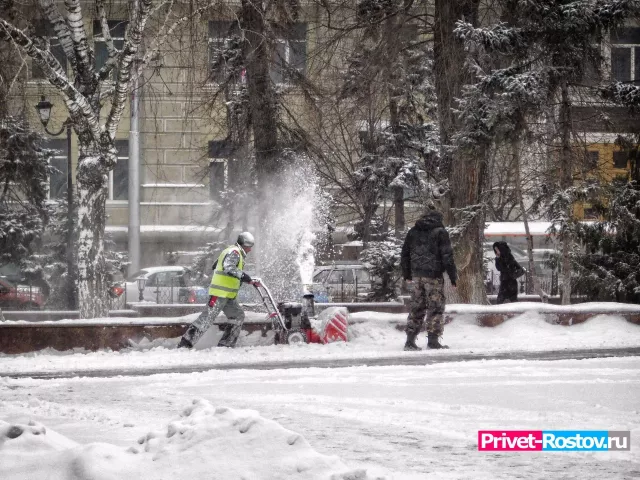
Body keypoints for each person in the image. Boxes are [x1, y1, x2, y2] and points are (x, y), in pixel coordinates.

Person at [178, 232, 260, 349]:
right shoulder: (235, 252)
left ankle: (226, 345)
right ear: (243, 245)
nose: (250, 250)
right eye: (249, 247)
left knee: (238, 316)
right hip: (219, 294)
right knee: (207, 318)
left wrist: (245, 280)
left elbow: (216, 265)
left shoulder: (229, 250)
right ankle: (185, 344)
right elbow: (228, 267)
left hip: (228, 295)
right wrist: (244, 277)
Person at [401, 208, 458, 351]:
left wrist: (407, 274)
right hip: (433, 276)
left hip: (416, 276)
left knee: (416, 307)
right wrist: (453, 277)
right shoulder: (440, 232)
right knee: (436, 308)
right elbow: (447, 256)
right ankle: (433, 341)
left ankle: (410, 341)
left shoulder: (413, 231)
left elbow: (405, 254)